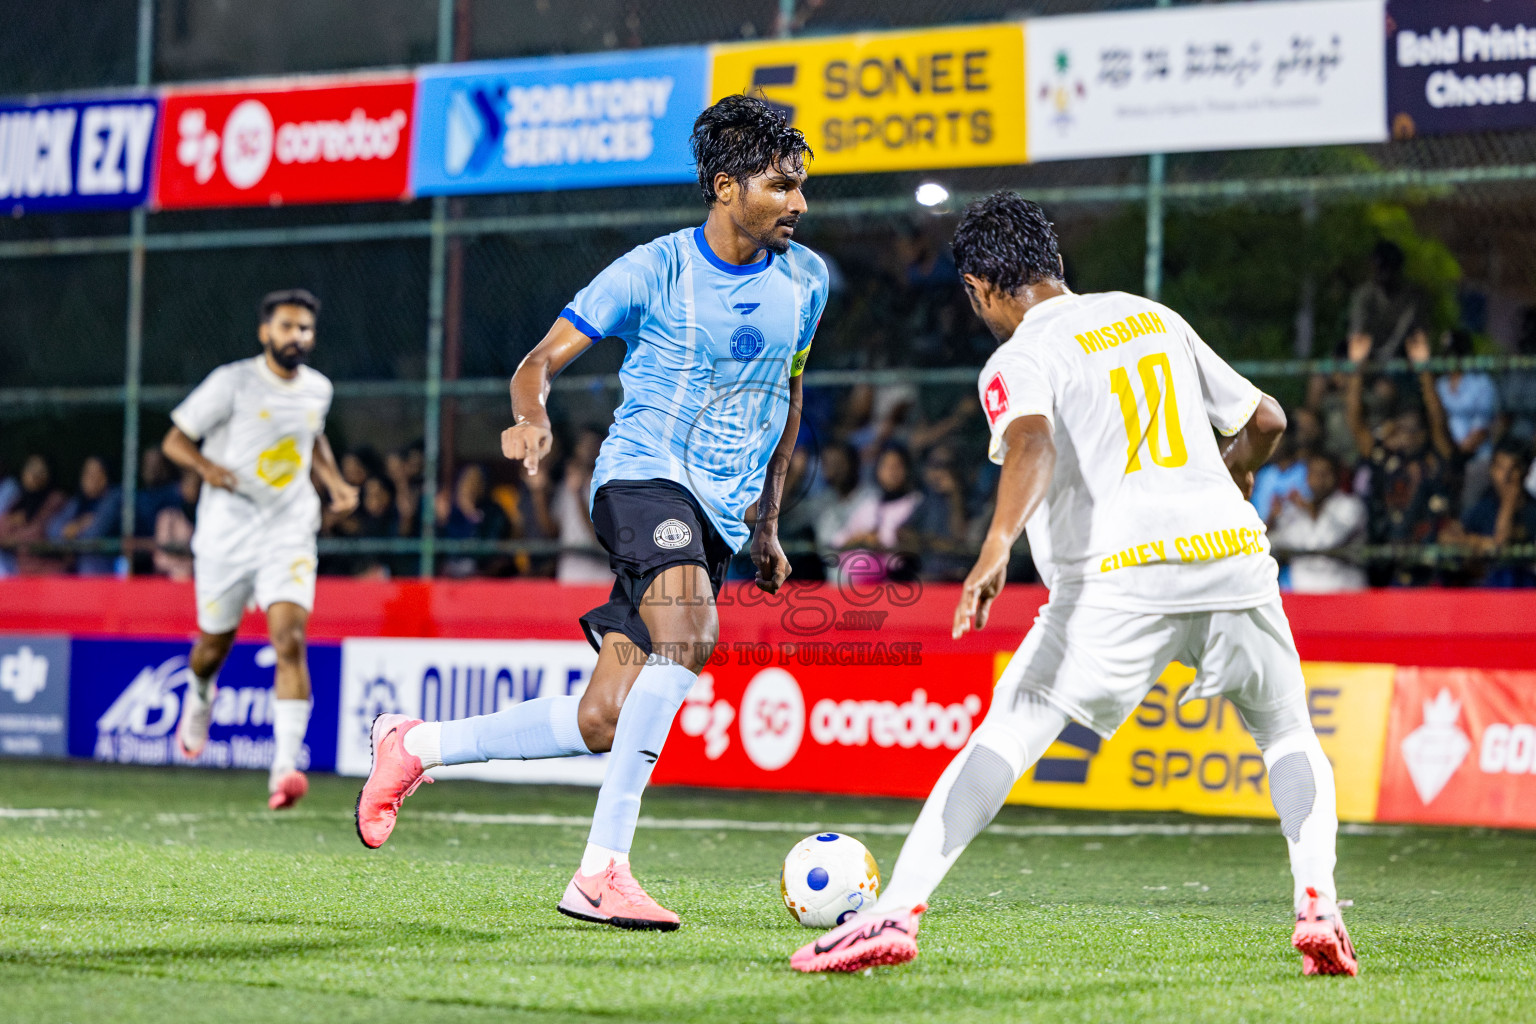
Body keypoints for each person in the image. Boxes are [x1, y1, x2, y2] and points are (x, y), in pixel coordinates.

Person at [793, 192, 1355, 978]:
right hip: (1235, 558)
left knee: (1006, 733)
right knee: (1288, 734)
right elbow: (1265, 419)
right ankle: (1319, 906)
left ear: (980, 289)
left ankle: (893, 915)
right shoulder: (1150, 315)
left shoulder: (1019, 357)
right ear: (1055, 262)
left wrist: (995, 546)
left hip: (1118, 579)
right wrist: (1235, 475)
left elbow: (1032, 443)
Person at [355, 95, 827, 931]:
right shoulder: (654, 270)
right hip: (643, 479)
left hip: (718, 516)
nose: (800, 203)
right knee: (691, 631)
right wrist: (530, 418)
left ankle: (414, 746)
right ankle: (602, 872)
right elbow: (539, 361)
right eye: (781, 185)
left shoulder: (807, 282)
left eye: (800, 186)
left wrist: (767, 521)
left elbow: (787, 398)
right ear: (726, 187)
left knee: (603, 718)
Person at [162, 289, 358, 809]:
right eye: (287, 326)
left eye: (305, 329)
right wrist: (206, 468)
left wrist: (334, 483)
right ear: (265, 332)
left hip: (288, 530)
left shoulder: (318, 389)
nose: (297, 336)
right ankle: (199, 695)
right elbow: (175, 440)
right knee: (212, 647)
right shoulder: (232, 382)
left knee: (289, 639)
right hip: (226, 532)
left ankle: (284, 769)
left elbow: (312, 437)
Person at [1438, 441, 1536, 587]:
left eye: (1513, 468)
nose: (1506, 476)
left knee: (1508, 576)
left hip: (1523, 588)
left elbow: (1500, 545)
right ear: (1491, 469)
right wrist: (1477, 542)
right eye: (1500, 468)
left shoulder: (1532, 510)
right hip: (1485, 585)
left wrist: (1509, 503)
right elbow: (1446, 536)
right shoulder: (1485, 505)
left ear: (1525, 471)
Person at [1268, 454, 1368, 593]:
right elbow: (1277, 541)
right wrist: (1272, 519)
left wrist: (1309, 509)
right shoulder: (1295, 509)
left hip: (1343, 591)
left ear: (1336, 476)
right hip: (1301, 592)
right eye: (1314, 473)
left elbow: (1326, 541)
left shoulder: (1350, 505)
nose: (1319, 479)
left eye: (1325, 473)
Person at [46, 455, 121, 576]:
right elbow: (52, 530)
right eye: (88, 473)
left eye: (98, 473)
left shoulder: (114, 498)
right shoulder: (77, 502)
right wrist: (79, 524)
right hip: (73, 575)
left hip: (102, 575)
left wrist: (69, 534)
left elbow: (93, 535)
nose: (92, 478)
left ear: (107, 477)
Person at [0, 455, 66, 576]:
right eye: (31, 469)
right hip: (23, 572)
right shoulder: (19, 499)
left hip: (50, 571)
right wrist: (11, 522)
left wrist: (11, 539)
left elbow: (37, 533)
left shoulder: (55, 499)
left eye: (41, 471)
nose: (35, 475)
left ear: (49, 474)